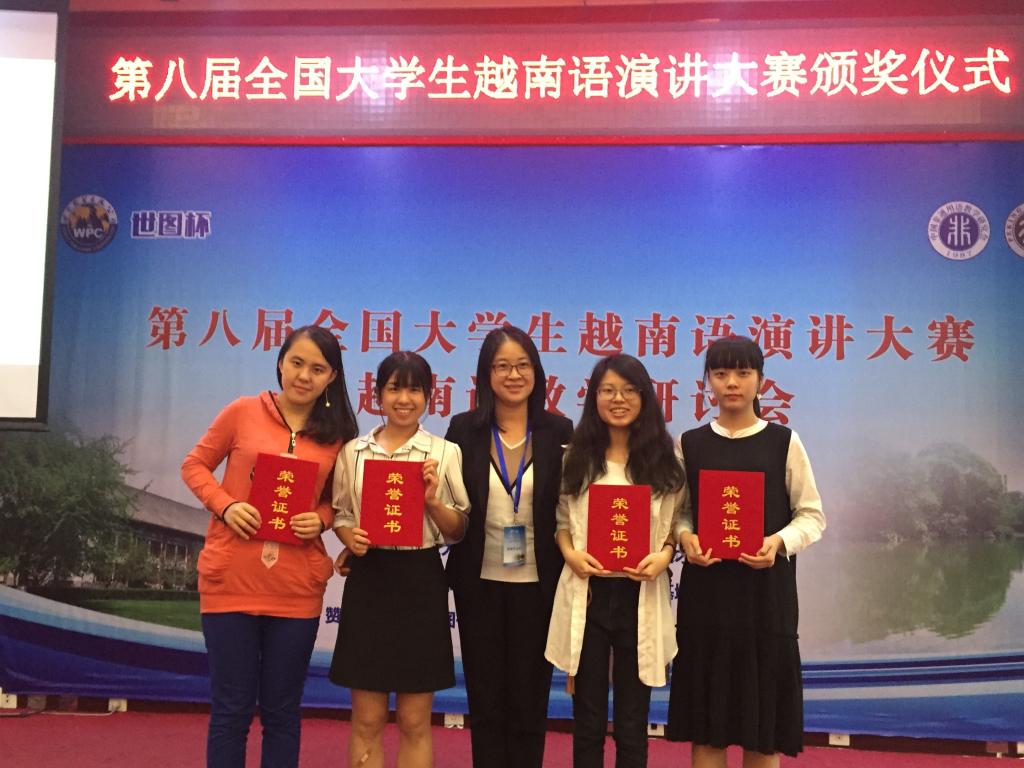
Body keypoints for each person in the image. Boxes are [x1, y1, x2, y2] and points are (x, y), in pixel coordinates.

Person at [181, 325, 358, 768]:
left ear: (332, 377)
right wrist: (225, 505)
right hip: (231, 582)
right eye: (296, 363)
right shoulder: (242, 412)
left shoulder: (338, 435)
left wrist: (319, 519)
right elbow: (195, 465)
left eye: (317, 368)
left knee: (282, 711)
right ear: (280, 362)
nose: (304, 376)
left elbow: (338, 502)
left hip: (295, 589)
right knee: (231, 709)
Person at [666, 335, 825, 767]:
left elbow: (812, 516)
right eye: (720, 374)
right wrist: (685, 537)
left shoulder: (784, 441)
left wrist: (778, 542)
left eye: (743, 373)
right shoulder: (690, 443)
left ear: (761, 380)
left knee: (762, 732)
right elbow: (678, 513)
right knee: (708, 729)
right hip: (707, 601)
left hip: (766, 601)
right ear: (708, 382)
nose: (731, 383)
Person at [329, 351, 470, 768]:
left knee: (413, 719)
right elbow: (341, 513)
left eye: (414, 390)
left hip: (420, 581)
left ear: (429, 397)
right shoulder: (353, 452)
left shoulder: (445, 452)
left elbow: (459, 529)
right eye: (394, 388)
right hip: (369, 579)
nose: (404, 399)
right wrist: (348, 537)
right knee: (367, 718)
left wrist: (433, 502)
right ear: (377, 395)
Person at [545, 354, 686, 768]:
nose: (618, 399)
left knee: (631, 721)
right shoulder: (576, 457)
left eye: (628, 390)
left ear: (645, 397)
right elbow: (561, 521)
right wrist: (570, 554)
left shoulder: (667, 461)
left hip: (639, 594)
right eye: (608, 390)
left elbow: (676, 523)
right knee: (587, 720)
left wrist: (664, 556)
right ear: (594, 398)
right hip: (588, 595)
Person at [444, 326, 574, 767]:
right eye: (502, 366)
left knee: (530, 697)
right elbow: (450, 501)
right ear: (486, 374)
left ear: (536, 372)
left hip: (539, 583)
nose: (513, 375)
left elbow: (572, 505)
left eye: (522, 365)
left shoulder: (558, 430)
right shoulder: (464, 429)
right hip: (478, 582)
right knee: (485, 697)